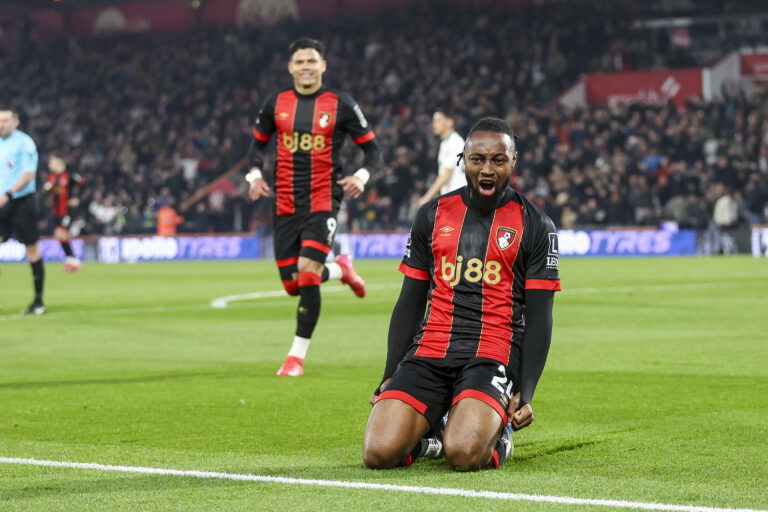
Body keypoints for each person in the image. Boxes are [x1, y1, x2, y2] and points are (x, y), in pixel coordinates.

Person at [363, 117, 561, 471]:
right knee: (378, 453)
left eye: (498, 160)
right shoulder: (432, 215)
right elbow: (410, 301)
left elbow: (541, 317)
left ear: (513, 161)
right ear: (462, 161)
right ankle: (434, 436)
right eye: (477, 159)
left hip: (493, 351)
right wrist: (389, 372)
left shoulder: (535, 225)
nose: (487, 169)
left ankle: (496, 435)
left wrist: (525, 392)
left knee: (465, 454)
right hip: (431, 348)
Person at [245, 38, 381, 377]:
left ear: (323, 66)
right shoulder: (276, 104)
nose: (306, 67)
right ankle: (341, 269)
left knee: (307, 273)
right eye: (300, 62)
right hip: (285, 202)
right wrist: (254, 176)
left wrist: (362, 176)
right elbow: (255, 148)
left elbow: (374, 151)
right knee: (293, 285)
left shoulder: (341, 105)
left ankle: (295, 357)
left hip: (323, 199)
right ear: (290, 67)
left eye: (312, 61)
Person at [0, 107, 46, 315]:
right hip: (2, 202)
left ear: (16, 122)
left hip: (21, 201)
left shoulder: (25, 143)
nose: (2, 124)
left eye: (6, 120)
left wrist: (8, 194)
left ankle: (38, 301)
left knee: (32, 250)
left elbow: (28, 174)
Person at [43, 153, 84, 273]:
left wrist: (77, 198)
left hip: (67, 210)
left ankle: (73, 260)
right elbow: (48, 191)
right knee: (60, 234)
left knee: (61, 233)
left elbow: (82, 184)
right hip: (56, 211)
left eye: (52, 162)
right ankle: (72, 260)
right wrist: (47, 190)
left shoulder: (68, 175)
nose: (50, 165)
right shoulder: (52, 177)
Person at [417, 110, 466, 207]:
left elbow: (446, 174)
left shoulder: (454, 142)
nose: (434, 124)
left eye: (438, 121)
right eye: (434, 121)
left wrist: (427, 197)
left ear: (449, 122)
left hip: (457, 200)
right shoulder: (447, 142)